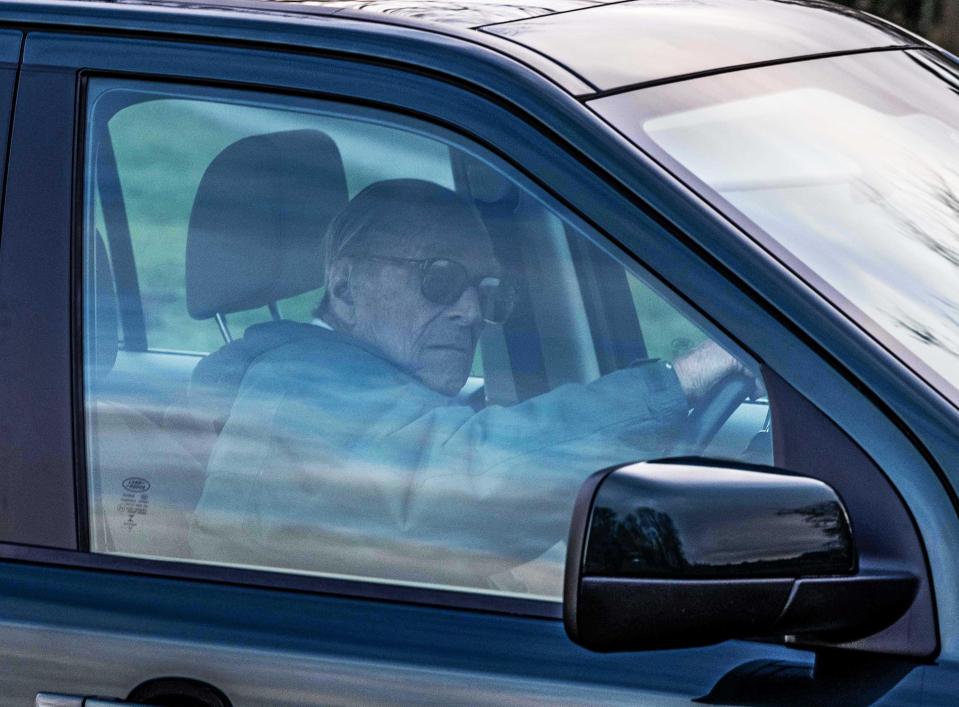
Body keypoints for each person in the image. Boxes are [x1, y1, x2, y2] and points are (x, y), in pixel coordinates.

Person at [189, 179, 751, 590]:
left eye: (489, 291)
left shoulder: (352, 381)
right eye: (440, 279)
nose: (470, 311)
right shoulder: (299, 388)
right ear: (345, 290)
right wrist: (680, 382)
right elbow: (461, 479)